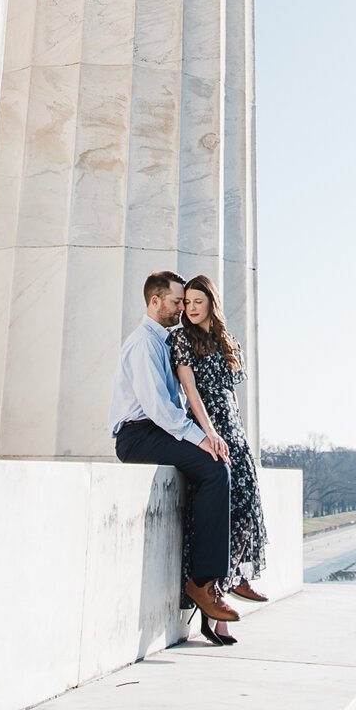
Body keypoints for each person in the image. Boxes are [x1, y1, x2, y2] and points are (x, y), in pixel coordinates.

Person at [109, 269, 238, 632]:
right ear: (155, 301)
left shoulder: (164, 340)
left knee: (217, 469)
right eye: (177, 301)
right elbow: (159, 408)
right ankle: (202, 583)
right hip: (138, 435)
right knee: (214, 468)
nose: (182, 308)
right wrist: (201, 437)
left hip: (155, 430)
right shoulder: (144, 344)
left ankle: (210, 581)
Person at [172, 275, 271, 641]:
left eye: (198, 301)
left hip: (235, 430)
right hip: (209, 428)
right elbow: (190, 389)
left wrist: (233, 434)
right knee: (218, 512)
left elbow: (232, 393)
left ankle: (223, 587)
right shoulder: (183, 339)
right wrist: (209, 433)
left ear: (211, 303)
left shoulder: (228, 342)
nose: (191, 308)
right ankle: (216, 607)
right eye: (187, 302)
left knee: (245, 509)